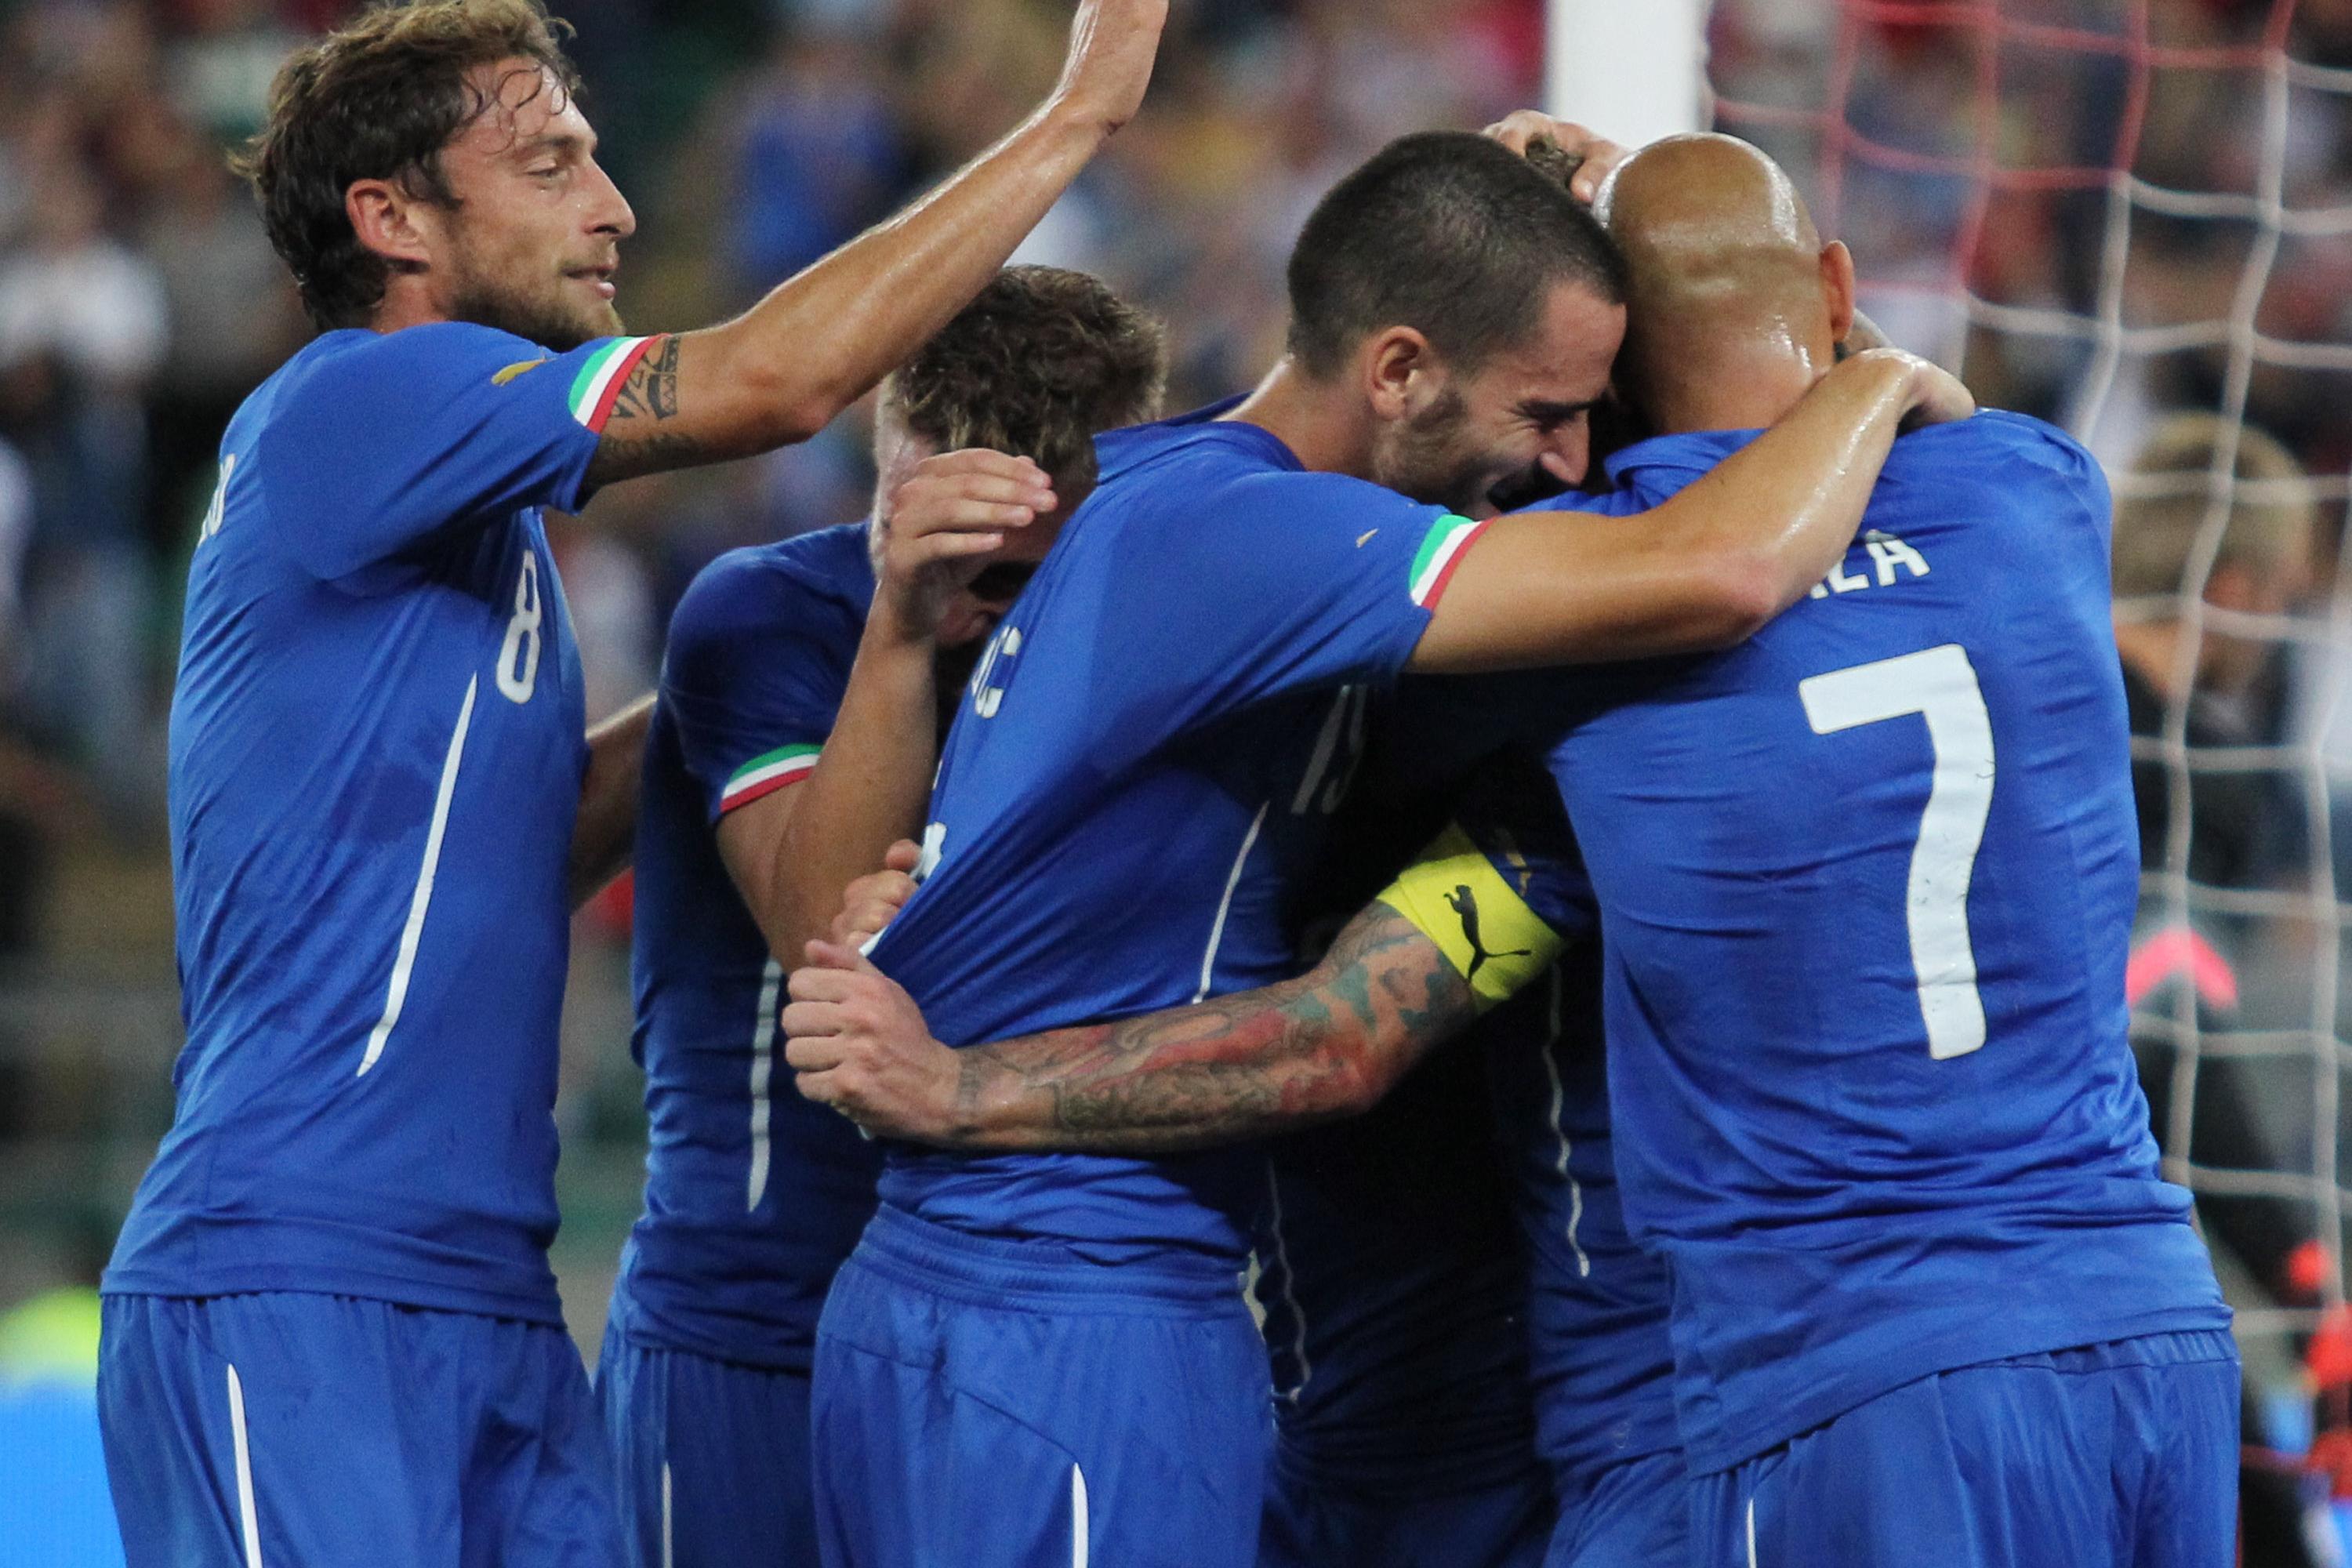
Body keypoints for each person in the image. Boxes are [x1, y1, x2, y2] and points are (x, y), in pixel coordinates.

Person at [786, 134, 2236, 1568]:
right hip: (2142, 1310)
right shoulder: (2031, 493)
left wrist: (967, 1083)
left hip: (1797, 1390)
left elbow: (1339, 1032)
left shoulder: (1579, 664)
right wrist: (1857, 372)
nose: (1553, 446)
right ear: (1840, 291)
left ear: (1614, 410)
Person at [94, 1, 1170, 1563]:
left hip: (488, 1294)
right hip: (295, 1271)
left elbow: (513, 840)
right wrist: (1078, 115)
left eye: (599, 156)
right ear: (391, 220)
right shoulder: (355, 405)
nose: (616, 206)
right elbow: (774, 387)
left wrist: (809, 688)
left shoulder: (476, 536)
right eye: (550, 164)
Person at [599, 265, 1167, 1568]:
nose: (999, 597)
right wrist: (903, 632)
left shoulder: (1144, 632)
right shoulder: (764, 615)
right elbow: (823, 941)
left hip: (1019, 1333)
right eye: (968, 544)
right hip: (754, 1331)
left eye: (1037, 564)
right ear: (891, 458)